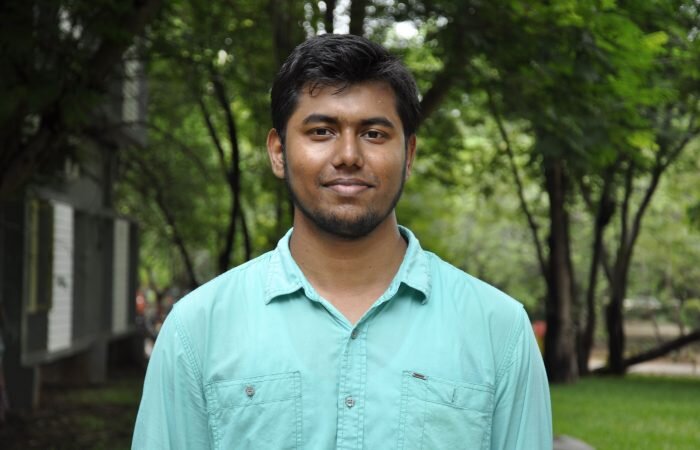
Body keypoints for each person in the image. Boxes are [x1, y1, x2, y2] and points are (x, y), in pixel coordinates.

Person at [132, 33, 552, 450]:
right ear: (278, 152)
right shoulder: (197, 330)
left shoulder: (498, 332)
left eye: (374, 134)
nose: (348, 155)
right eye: (321, 131)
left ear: (409, 155)